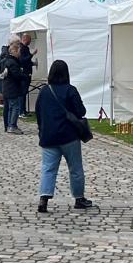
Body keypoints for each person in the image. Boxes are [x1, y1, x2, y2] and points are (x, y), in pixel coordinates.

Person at [35, 59, 94, 212]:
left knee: (48, 168)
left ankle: (44, 199)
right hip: (69, 136)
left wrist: (41, 131)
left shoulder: (44, 91)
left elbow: (38, 113)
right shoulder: (70, 90)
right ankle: (79, 198)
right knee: (75, 168)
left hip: (49, 136)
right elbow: (81, 111)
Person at [0, 40, 31, 134]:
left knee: (9, 107)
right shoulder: (12, 62)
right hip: (12, 87)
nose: (20, 53)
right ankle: (12, 125)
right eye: (19, 51)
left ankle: (9, 125)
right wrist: (26, 76)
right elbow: (17, 74)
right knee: (15, 107)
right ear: (15, 51)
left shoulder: (4, 61)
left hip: (6, 87)